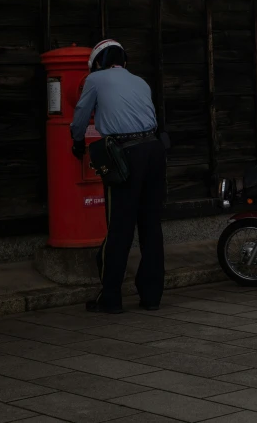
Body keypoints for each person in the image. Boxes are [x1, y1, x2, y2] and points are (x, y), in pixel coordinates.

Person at [70, 39, 166, 314]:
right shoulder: (140, 81)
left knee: (120, 227)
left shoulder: (95, 80)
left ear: (97, 63)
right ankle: (151, 296)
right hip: (154, 150)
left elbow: (80, 116)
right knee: (150, 225)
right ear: (123, 61)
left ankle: (110, 297)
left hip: (125, 154)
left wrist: (77, 142)